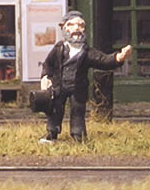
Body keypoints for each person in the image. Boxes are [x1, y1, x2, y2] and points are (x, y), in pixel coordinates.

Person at [38, 10, 131, 143]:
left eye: (80, 25)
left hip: (77, 88)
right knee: (55, 110)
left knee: (77, 112)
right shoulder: (59, 48)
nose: (76, 29)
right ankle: (51, 133)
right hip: (59, 86)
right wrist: (45, 77)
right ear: (64, 27)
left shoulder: (87, 52)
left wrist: (119, 57)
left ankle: (78, 135)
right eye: (72, 25)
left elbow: (103, 60)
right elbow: (48, 64)